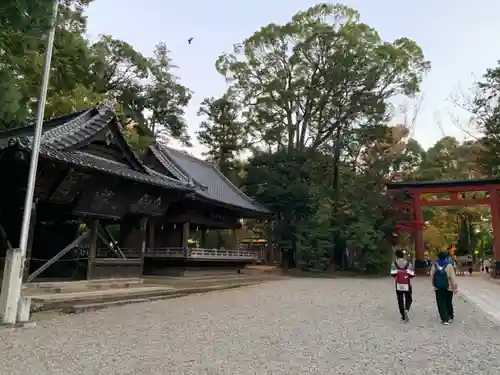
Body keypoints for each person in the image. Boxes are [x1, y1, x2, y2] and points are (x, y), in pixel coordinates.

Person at [430, 251, 458, 324]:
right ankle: (450, 315)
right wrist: (454, 287)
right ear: (446, 257)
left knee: (440, 303)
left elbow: (432, 276)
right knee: (448, 302)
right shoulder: (449, 265)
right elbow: (452, 277)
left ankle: (444, 319)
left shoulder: (435, 265)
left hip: (438, 287)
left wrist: (434, 284)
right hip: (448, 287)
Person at [390, 250, 415, 322]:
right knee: (409, 298)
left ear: (396, 256)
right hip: (406, 283)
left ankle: (403, 316)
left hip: (398, 284)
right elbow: (412, 275)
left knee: (400, 300)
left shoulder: (394, 263)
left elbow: (393, 274)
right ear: (403, 256)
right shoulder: (408, 263)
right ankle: (406, 309)